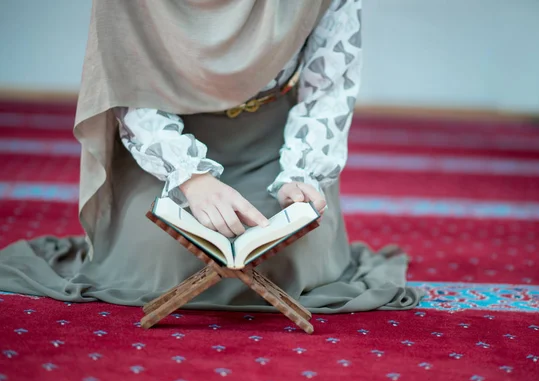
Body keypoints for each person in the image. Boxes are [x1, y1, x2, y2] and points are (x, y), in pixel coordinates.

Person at [0, 0, 421, 313]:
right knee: (170, 256)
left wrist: (304, 173)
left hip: (274, 145)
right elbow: (127, 90)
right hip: (165, 148)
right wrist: (190, 177)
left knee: (287, 252)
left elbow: (328, 88)